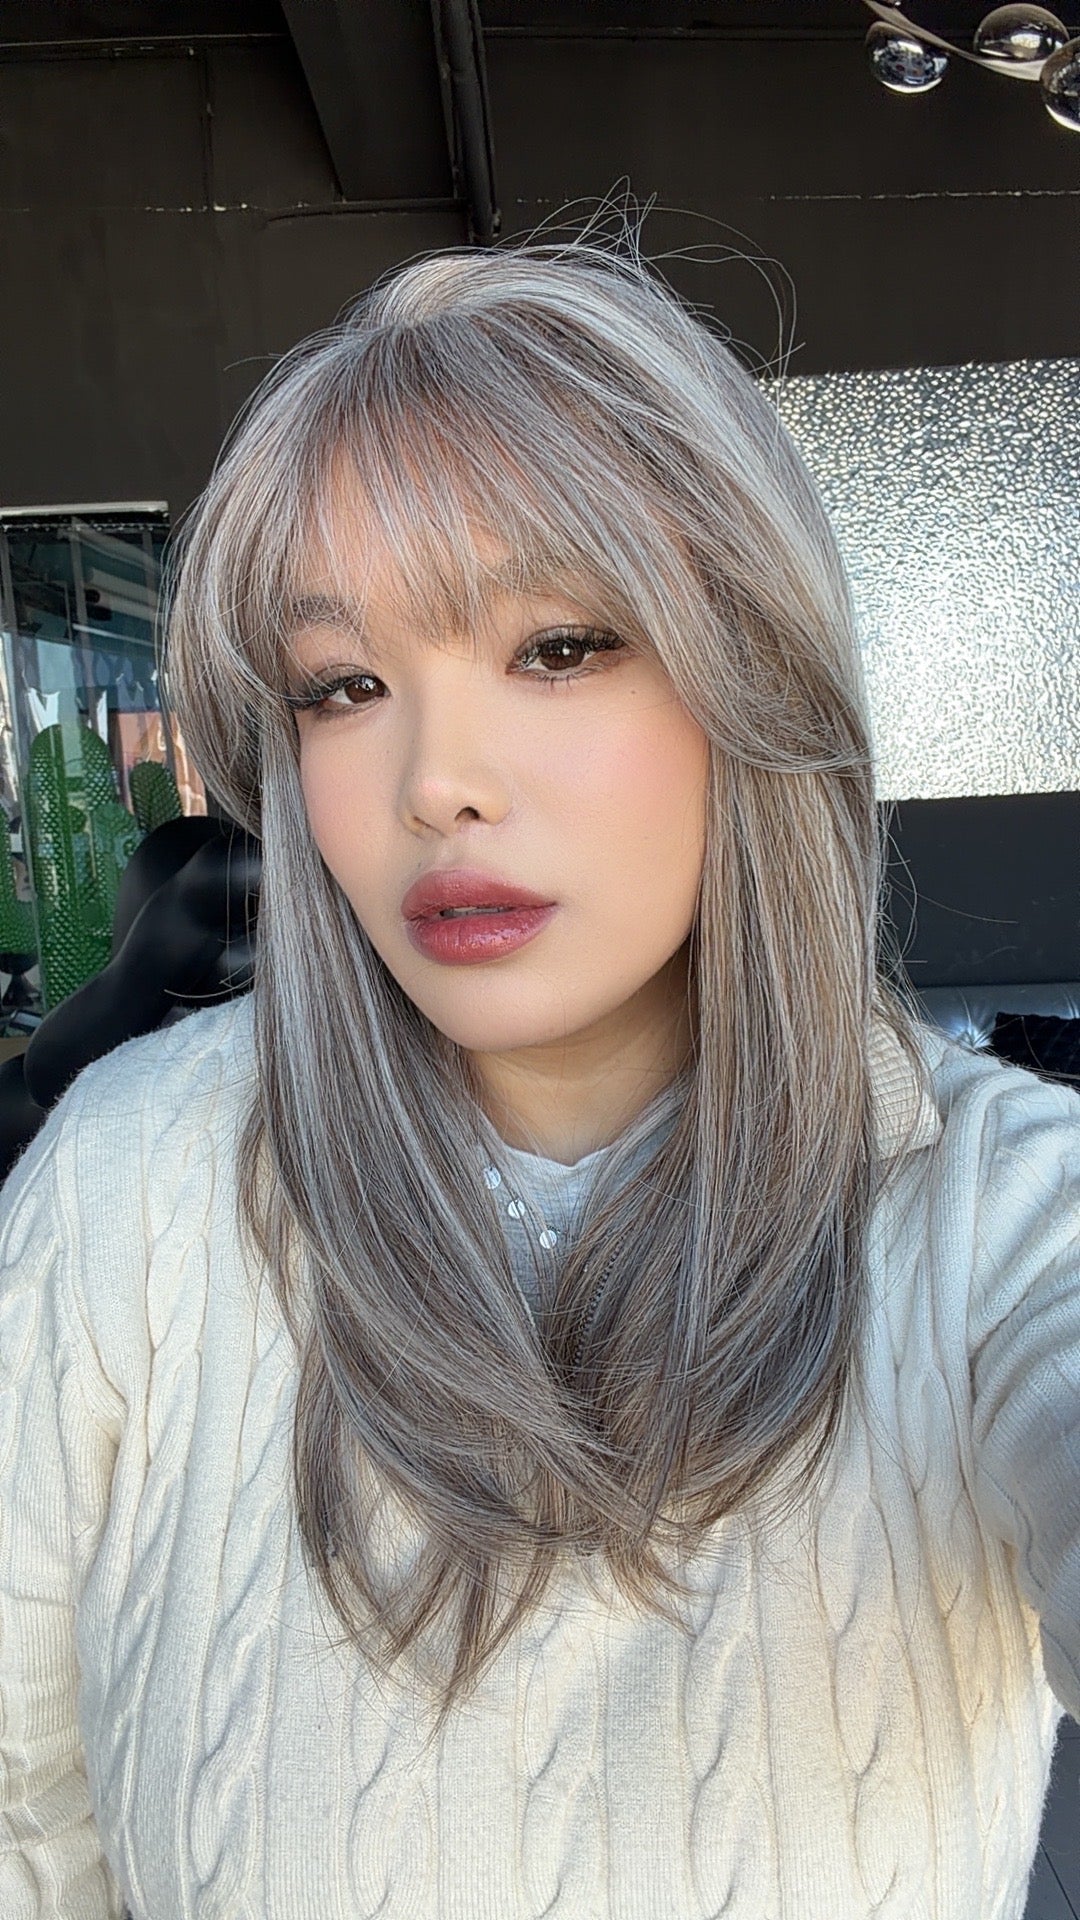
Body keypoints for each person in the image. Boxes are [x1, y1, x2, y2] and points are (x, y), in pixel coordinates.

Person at [0, 223, 1076, 1920]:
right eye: (345, 684)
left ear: (755, 668)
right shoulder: (133, 1183)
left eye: (560, 645)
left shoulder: (1005, 1212)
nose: (437, 780)